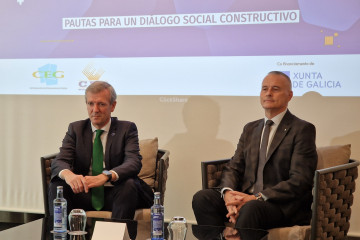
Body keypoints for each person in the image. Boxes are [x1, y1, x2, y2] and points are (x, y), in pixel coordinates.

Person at [192, 71, 318, 230]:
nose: (269, 93)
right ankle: (220, 236)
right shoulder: (251, 128)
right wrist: (228, 193)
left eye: (275, 89)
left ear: (290, 95)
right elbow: (234, 166)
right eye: (264, 89)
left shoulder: (302, 129)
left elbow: (300, 180)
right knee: (202, 198)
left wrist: (257, 197)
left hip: (279, 205)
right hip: (245, 198)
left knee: (251, 209)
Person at [49, 81, 153, 219]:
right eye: (91, 103)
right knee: (57, 185)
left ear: (113, 105)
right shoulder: (76, 129)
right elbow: (60, 160)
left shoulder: (126, 129)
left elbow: (133, 162)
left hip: (116, 193)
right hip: (86, 193)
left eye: (101, 104)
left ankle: (116, 236)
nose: (95, 109)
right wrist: (69, 175)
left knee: (128, 184)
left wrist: (105, 176)